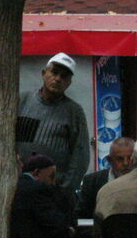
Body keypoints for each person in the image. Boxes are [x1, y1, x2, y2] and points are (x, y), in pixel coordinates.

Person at [16, 52, 89, 193]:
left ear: (69, 82)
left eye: (64, 76)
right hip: (20, 185)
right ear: (44, 73)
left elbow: (81, 156)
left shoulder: (73, 111)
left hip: (53, 189)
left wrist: (65, 190)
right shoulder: (22, 101)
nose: (57, 79)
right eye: (54, 72)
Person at [76, 137, 136, 223]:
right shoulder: (92, 181)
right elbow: (81, 217)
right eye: (120, 159)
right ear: (109, 160)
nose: (126, 163)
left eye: (130, 158)